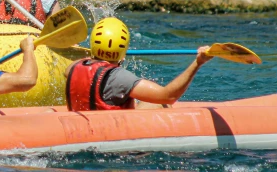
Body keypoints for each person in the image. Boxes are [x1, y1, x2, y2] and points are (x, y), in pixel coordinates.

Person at [65, 17, 214, 111]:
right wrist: (198, 62)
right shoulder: (119, 78)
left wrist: (91, 57)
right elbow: (168, 96)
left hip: (82, 126)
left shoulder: (73, 67)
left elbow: (77, 70)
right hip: (111, 134)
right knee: (161, 104)